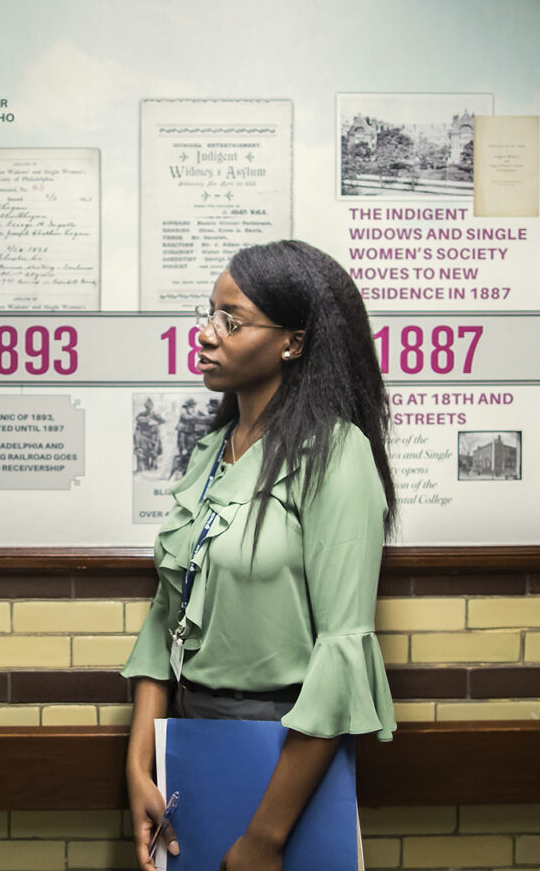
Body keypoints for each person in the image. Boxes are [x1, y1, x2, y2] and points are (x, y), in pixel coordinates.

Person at [121, 240, 396, 871]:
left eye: (231, 321)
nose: (206, 334)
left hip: (282, 758)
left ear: (292, 343)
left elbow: (342, 654)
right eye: (209, 314)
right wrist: (140, 768)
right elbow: (165, 622)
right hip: (189, 745)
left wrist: (265, 839)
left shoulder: (337, 454)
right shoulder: (210, 451)